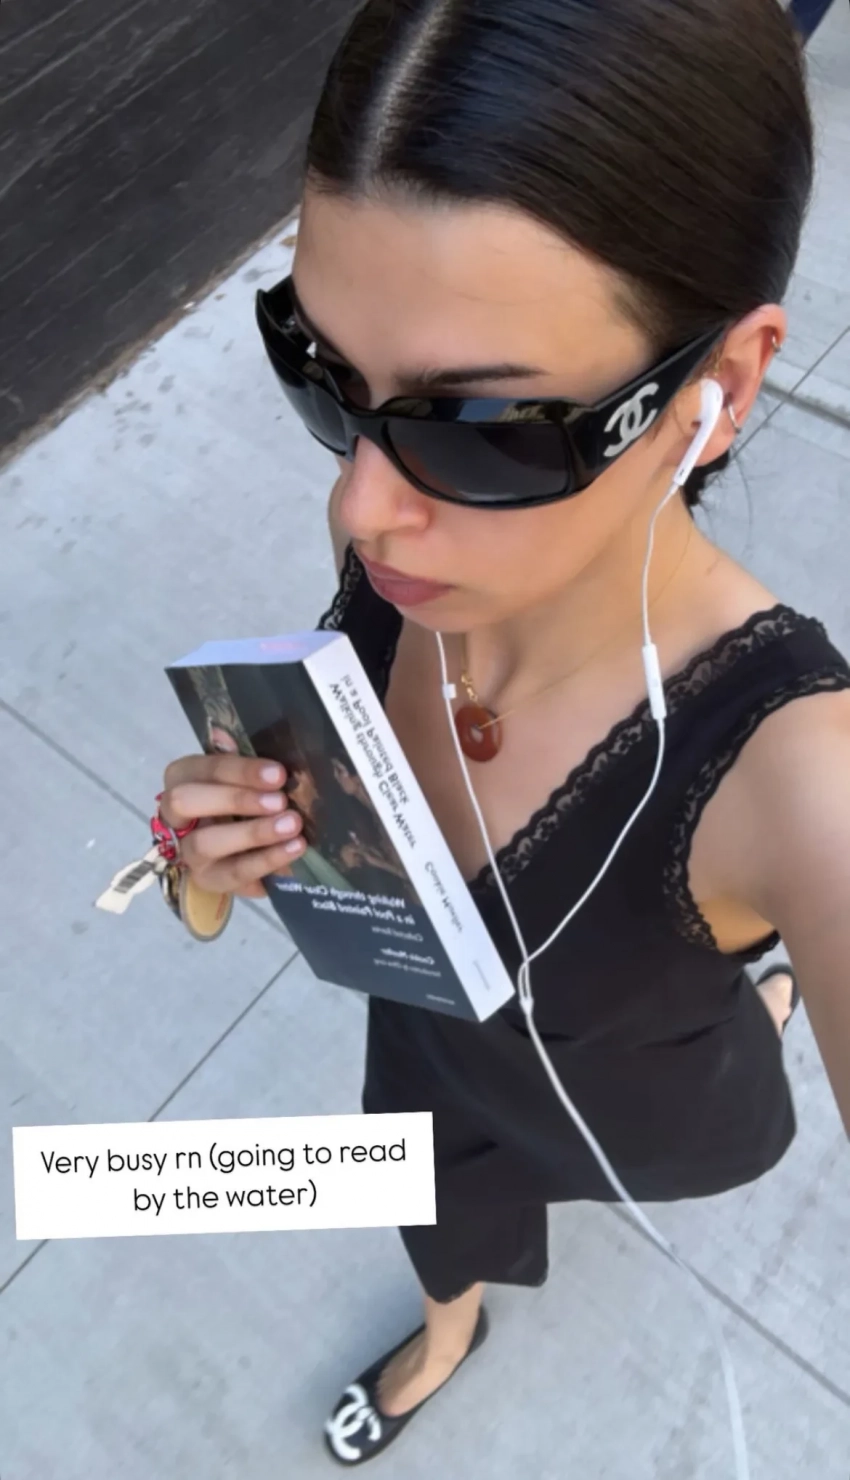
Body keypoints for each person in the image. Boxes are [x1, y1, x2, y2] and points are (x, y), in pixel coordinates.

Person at [157, 0, 850, 1466]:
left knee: (737, 1017)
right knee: (436, 1218)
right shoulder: (402, 559)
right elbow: (258, 892)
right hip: (427, 1063)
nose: (361, 502)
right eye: (324, 376)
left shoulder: (800, 775)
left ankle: (768, 1000)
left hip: (642, 1110)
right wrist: (212, 865)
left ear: (716, 391)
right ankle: (445, 1331)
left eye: (474, 426)